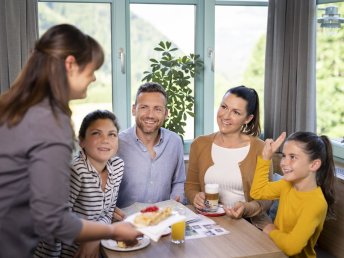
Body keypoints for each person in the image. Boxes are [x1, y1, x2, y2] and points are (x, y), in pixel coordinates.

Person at [0, 24, 140, 258]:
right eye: (92, 69)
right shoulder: (50, 121)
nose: (94, 77)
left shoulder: (15, 106)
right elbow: (53, 220)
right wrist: (112, 231)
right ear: (70, 64)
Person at [34, 110, 124, 257]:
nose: (105, 140)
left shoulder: (118, 166)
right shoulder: (76, 171)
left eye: (112, 134)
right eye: (96, 133)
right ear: (81, 141)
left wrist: (95, 237)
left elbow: (109, 211)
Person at [185, 85, 272, 229]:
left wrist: (246, 208)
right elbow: (191, 185)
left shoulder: (260, 148)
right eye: (224, 107)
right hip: (208, 223)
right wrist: (195, 196)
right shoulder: (199, 144)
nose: (225, 116)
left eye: (236, 112)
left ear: (248, 118)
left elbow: (267, 198)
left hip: (250, 224)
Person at [250, 132, 336, 258]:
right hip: (275, 251)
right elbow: (257, 192)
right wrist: (265, 158)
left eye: (293, 157)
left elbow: (292, 247)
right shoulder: (287, 184)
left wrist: (271, 230)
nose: (284, 162)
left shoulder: (316, 203)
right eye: (284, 156)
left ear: (314, 164)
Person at [115, 82, 186, 212]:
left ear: (166, 113)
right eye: (144, 107)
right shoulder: (117, 143)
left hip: (163, 219)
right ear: (133, 109)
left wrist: (176, 203)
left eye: (157, 109)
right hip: (126, 223)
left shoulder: (175, 142)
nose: (150, 115)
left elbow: (179, 181)